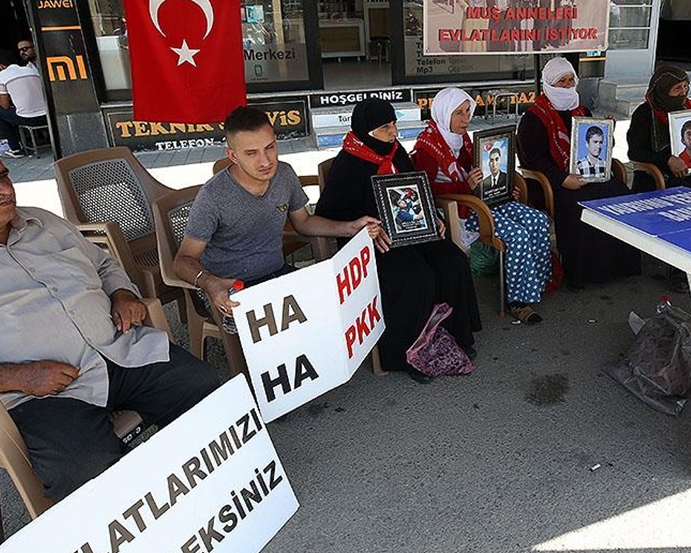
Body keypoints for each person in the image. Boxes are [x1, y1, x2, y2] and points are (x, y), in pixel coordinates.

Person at [0, 137, 220, 501]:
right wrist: (16, 376)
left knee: (204, 388)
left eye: (3, 174)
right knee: (87, 468)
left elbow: (103, 264)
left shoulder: (44, 223)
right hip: (37, 394)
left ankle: (212, 496)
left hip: (115, 352)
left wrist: (122, 292)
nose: (4, 187)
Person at [315, 97, 482, 383]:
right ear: (365, 130)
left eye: (394, 124)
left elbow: (418, 190)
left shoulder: (396, 153)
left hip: (412, 231)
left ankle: (454, 333)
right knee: (415, 276)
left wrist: (433, 217)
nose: (393, 132)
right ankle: (404, 354)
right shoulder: (349, 163)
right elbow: (329, 216)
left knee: (452, 260)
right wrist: (363, 231)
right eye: (384, 127)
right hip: (374, 241)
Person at [174, 106, 384, 328]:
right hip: (233, 289)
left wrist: (352, 228)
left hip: (278, 276)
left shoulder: (284, 174)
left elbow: (303, 222)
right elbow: (182, 261)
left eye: (269, 147)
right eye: (251, 153)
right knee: (282, 341)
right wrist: (209, 283)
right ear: (232, 155)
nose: (265, 161)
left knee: (340, 310)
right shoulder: (213, 196)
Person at [415, 87, 552, 324]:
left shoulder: (463, 139)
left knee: (537, 219)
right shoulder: (427, 147)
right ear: (443, 114)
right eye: (458, 113)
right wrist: (465, 186)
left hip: (481, 199)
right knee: (517, 234)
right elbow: (426, 191)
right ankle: (517, 301)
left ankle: (534, 283)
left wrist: (505, 187)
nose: (466, 118)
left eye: (468, 111)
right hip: (461, 209)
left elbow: (481, 168)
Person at [517, 57, 639, 288]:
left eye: (570, 79)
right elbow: (533, 160)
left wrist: (607, 131)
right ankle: (583, 274)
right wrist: (563, 179)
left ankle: (618, 266)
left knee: (620, 195)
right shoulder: (534, 117)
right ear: (549, 84)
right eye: (561, 81)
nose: (567, 85)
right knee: (581, 204)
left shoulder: (582, 109)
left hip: (588, 173)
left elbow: (597, 146)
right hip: (554, 182)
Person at [627, 65, 691, 191]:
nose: (683, 92)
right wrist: (668, 160)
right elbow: (635, 152)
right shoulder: (645, 113)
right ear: (663, 90)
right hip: (660, 175)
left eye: (685, 86)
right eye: (677, 88)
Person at [0, 49, 45, 158]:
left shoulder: (0, 76)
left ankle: (16, 148)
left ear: (0, 65)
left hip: (28, 118)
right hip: (46, 115)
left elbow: (4, 105)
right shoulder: (31, 70)